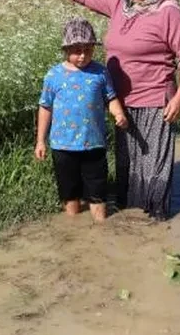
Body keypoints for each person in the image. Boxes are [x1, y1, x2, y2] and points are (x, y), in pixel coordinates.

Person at [37, 0, 180, 219]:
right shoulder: (119, 6)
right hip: (121, 104)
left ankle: (156, 222)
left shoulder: (168, 11)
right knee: (128, 168)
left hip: (155, 102)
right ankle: (129, 224)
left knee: (154, 169)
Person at [35, 18, 129, 222]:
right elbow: (45, 107)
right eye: (77, 51)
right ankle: (73, 224)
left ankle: (100, 225)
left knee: (98, 191)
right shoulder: (54, 75)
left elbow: (110, 98)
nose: (83, 55)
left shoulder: (100, 72)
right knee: (70, 193)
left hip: (94, 144)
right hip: (63, 146)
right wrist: (40, 141)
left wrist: (118, 114)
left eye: (88, 50)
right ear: (65, 50)